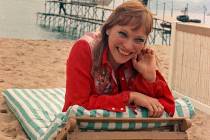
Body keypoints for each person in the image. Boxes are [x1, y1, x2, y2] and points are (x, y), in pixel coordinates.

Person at [62, 0, 175, 118]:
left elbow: (168, 104)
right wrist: (131, 97)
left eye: (139, 40)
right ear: (108, 28)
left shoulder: (138, 59)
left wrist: (149, 78)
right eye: (123, 34)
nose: (128, 46)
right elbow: (76, 106)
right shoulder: (85, 49)